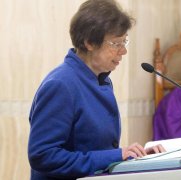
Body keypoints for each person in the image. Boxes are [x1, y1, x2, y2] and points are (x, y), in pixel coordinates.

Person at [28, 0, 165, 179]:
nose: (123, 51)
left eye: (125, 42)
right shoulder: (61, 85)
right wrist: (116, 155)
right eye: (116, 44)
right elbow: (43, 156)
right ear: (90, 42)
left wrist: (136, 156)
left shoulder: (101, 80)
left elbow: (95, 148)